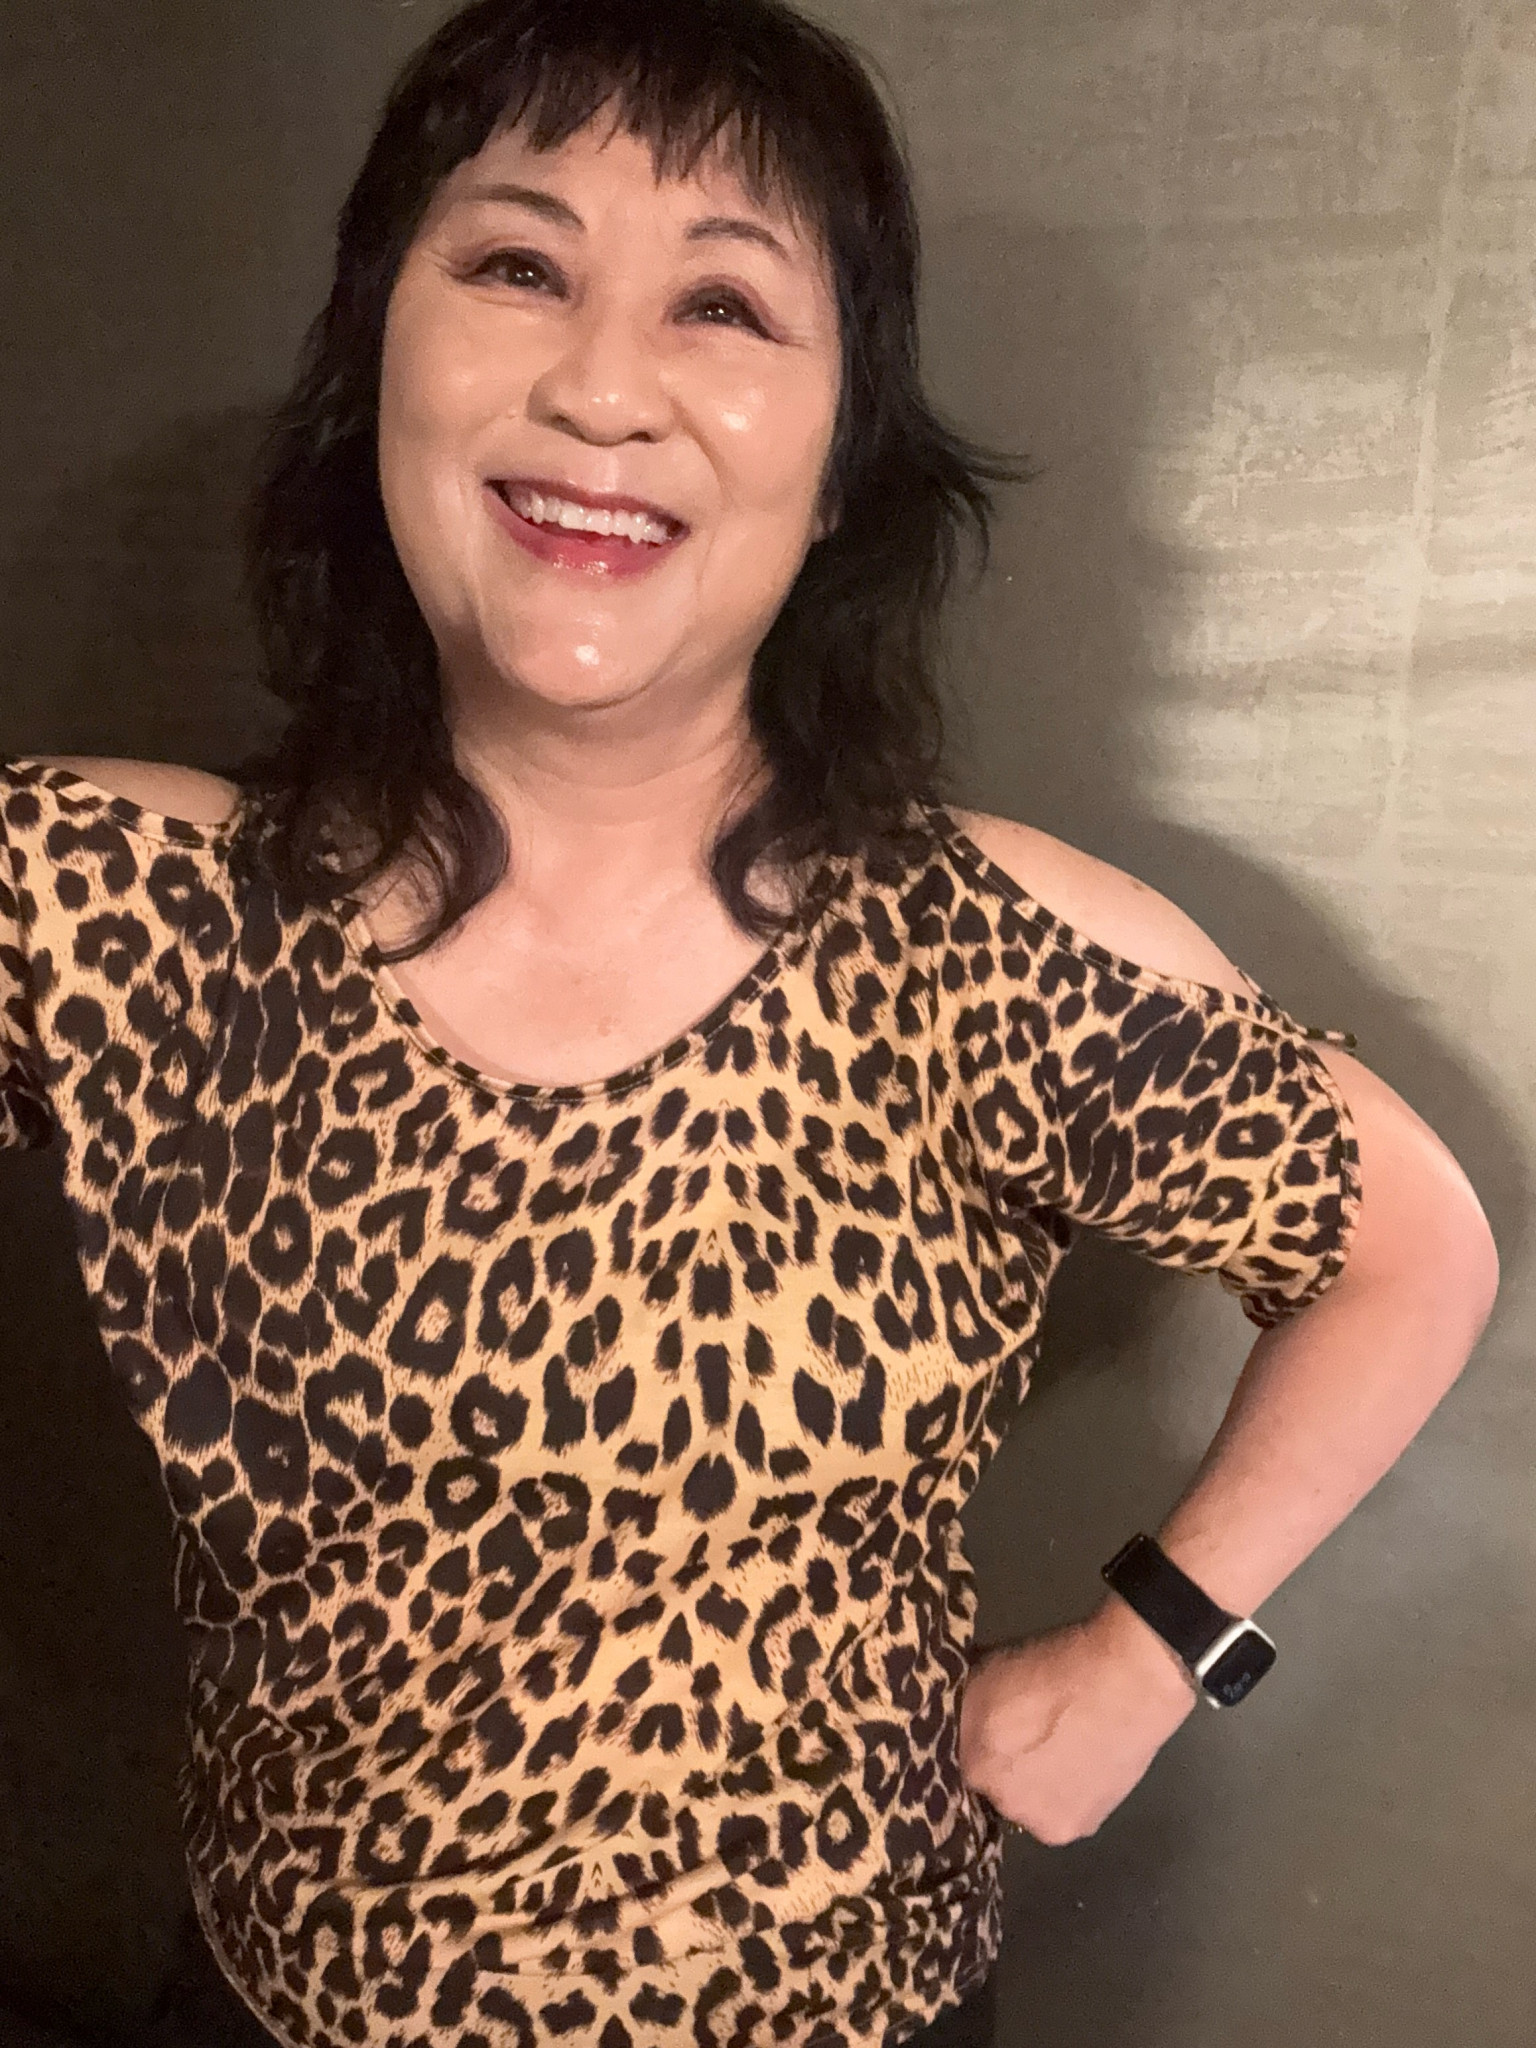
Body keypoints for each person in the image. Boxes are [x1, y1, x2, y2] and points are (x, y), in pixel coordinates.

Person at [0, 0, 1497, 2043]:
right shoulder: (113, 908)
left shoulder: (989, 954)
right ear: (376, 356)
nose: (603, 386)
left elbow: (1414, 1248)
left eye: (723, 304)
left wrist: (1155, 1656)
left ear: (841, 457)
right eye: (517, 264)